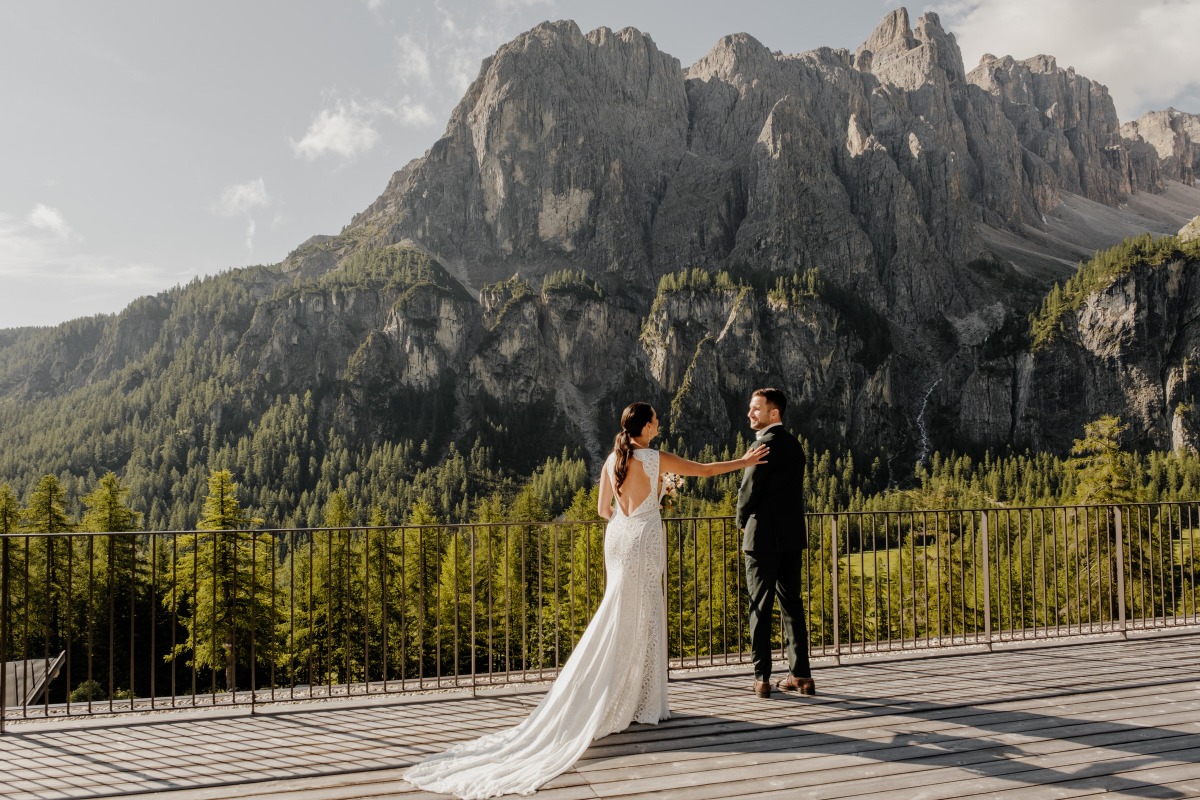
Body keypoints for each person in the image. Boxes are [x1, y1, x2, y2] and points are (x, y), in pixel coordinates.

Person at [403, 402, 768, 799]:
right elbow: (706, 469)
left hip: (619, 539)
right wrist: (743, 460)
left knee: (619, 615)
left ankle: (620, 695)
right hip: (644, 540)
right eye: (655, 420)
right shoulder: (653, 457)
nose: (659, 423)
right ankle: (643, 703)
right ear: (644, 426)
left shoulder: (614, 458)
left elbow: (602, 510)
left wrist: (633, 517)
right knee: (644, 615)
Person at [736, 387, 814, 698]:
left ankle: (761, 678)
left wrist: (742, 522)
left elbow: (748, 491)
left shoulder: (763, 446)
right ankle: (801, 675)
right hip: (792, 537)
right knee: (792, 606)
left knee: (759, 607)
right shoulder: (795, 445)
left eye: (756, 409)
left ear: (774, 413)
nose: (750, 414)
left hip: (762, 539)